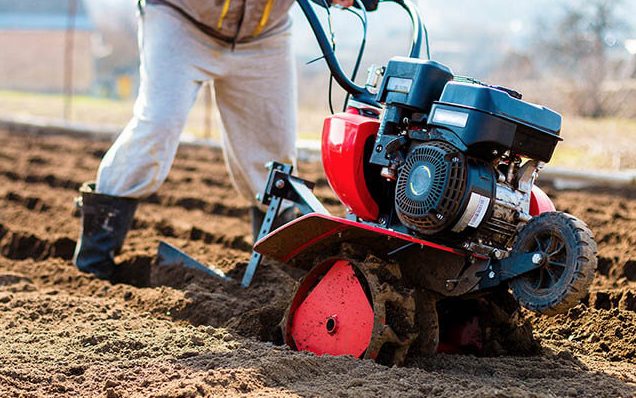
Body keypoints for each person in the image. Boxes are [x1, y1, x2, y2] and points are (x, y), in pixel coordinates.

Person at [72, 0, 357, 280]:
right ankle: (95, 259)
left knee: (274, 155)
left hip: (263, 35)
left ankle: (276, 274)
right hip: (181, 19)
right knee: (158, 124)